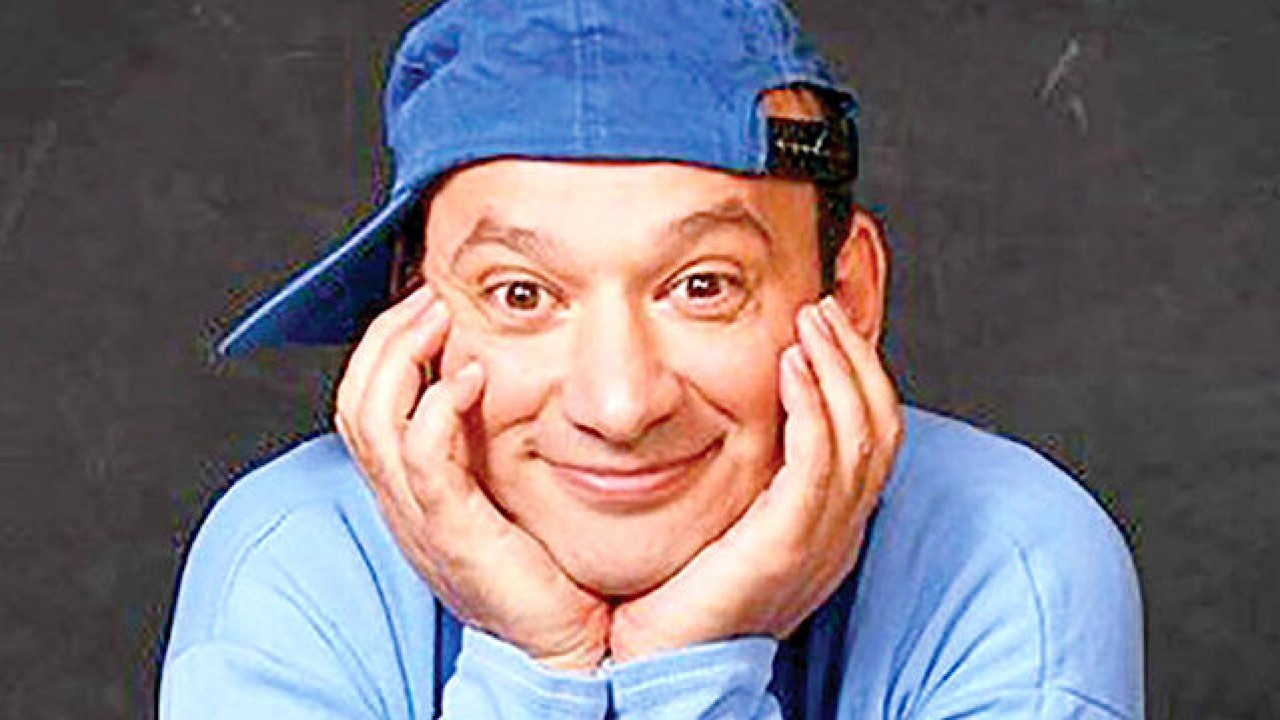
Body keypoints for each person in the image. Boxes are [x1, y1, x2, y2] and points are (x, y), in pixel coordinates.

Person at [161, 0, 1143, 717]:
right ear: (414, 311)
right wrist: (541, 664)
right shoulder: (295, 562)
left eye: (703, 285)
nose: (620, 404)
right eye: (521, 294)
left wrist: (687, 664)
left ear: (846, 294)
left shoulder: (1000, 555)